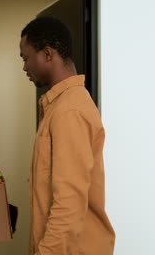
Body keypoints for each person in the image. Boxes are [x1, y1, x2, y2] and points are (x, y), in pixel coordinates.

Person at [19, 17, 116, 255]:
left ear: (48, 54)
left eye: (26, 57)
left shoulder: (69, 110)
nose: (24, 67)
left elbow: (68, 203)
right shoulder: (59, 106)